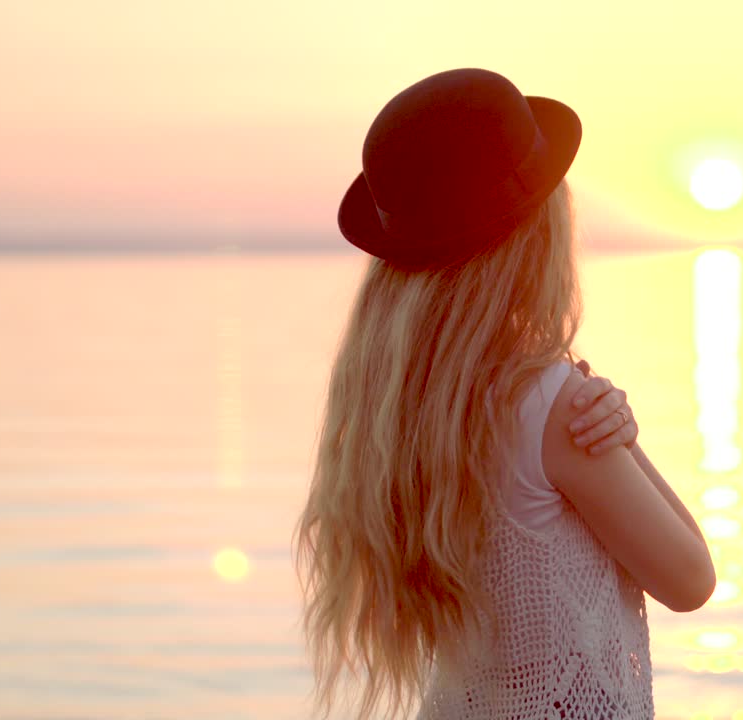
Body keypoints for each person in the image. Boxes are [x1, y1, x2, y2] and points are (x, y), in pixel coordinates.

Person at [294, 68, 716, 720]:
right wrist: (619, 435)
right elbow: (691, 579)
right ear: (534, 237)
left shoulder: (402, 409)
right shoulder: (552, 404)